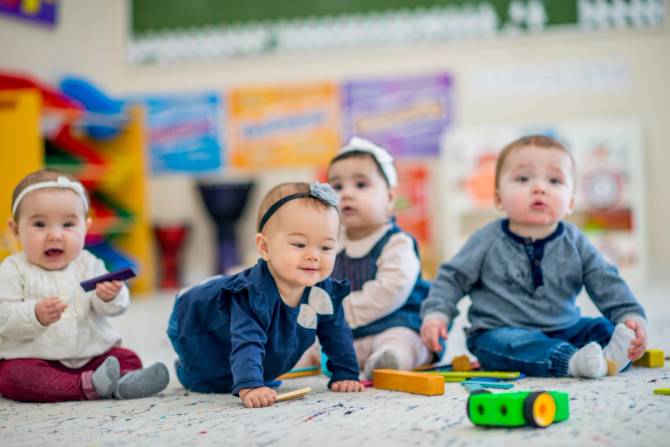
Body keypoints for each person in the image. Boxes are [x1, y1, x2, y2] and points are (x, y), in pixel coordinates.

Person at [420, 135, 647, 378]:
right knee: (499, 345)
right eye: (523, 178)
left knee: (605, 329)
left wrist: (629, 316)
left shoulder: (575, 241)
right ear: (498, 198)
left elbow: (606, 280)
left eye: (554, 180)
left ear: (569, 202)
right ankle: (571, 360)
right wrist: (437, 314)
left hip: (566, 328)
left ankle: (610, 357)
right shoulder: (486, 240)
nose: (539, 187)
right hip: (501, 331)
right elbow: (452, 278)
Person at [167, 182, 363, 408]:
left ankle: (251, 372)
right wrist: (250, 384)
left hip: (238, 329)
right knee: (210, 376)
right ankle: (185, 371)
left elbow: (336, 332)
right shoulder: (252, 293)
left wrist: (346, 372)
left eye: (326, 248)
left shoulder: (324, 292)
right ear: (265, 247)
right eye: (299, 244)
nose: (314, 256)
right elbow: (247, 340)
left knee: (268, 362)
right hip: (198, 319)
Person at [0, 169, 169, 402]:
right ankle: (85, 386)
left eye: (68, 224)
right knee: (12, 377)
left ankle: (121, 384)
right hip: (35, 357)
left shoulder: (90, 263)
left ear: (86, 228)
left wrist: (109, 297)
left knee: (127, 357)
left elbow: (113, 309)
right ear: (16, 229)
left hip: (91, 354)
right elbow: (3, 317)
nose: (55, 235)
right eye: (40, 224)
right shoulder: (13, 269)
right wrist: (34, 315)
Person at [326, 137, 433, 379]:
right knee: (310, 341)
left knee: (403, 341)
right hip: (346, 333)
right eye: (337, 187)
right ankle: (293, 360)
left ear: (390, 198)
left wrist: (340, 312)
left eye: (361, 185)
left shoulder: (396, 243)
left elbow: (389, 291)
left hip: (395, 322)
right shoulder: (330, 244)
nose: (347, 194)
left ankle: (390, 360)